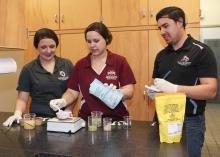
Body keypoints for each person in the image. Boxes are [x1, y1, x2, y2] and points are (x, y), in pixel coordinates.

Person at [150, 6, 217, 157]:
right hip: (163, 119)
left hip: (190, 122)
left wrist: (174, 89)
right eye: (159, 27)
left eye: (166, 26)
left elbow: (210, 90)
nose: (162, 32)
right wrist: (154, 92)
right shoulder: (161, 55)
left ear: (180, 22)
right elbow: (156, 83)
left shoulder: (201, 51)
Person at [49, 22, 136, 121]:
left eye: (96, 41)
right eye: (89, 41)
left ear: (106, 39)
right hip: (88, 120)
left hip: (116, 119)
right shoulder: (80, 65)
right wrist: (63, 101)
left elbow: (129, 91)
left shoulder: (119, 62)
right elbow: (72, 92)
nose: (92, 45)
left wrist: (116, 92)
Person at [3, 28, 73, 127]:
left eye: (52, 46)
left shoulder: (67, 64)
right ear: (37, 48)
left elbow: (73, 92)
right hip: (38, 121)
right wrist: (17, 113)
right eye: (43, 47)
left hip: (62, 120)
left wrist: (68, 110)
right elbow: (22, 99)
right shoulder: (28, 69)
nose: (48, 51)